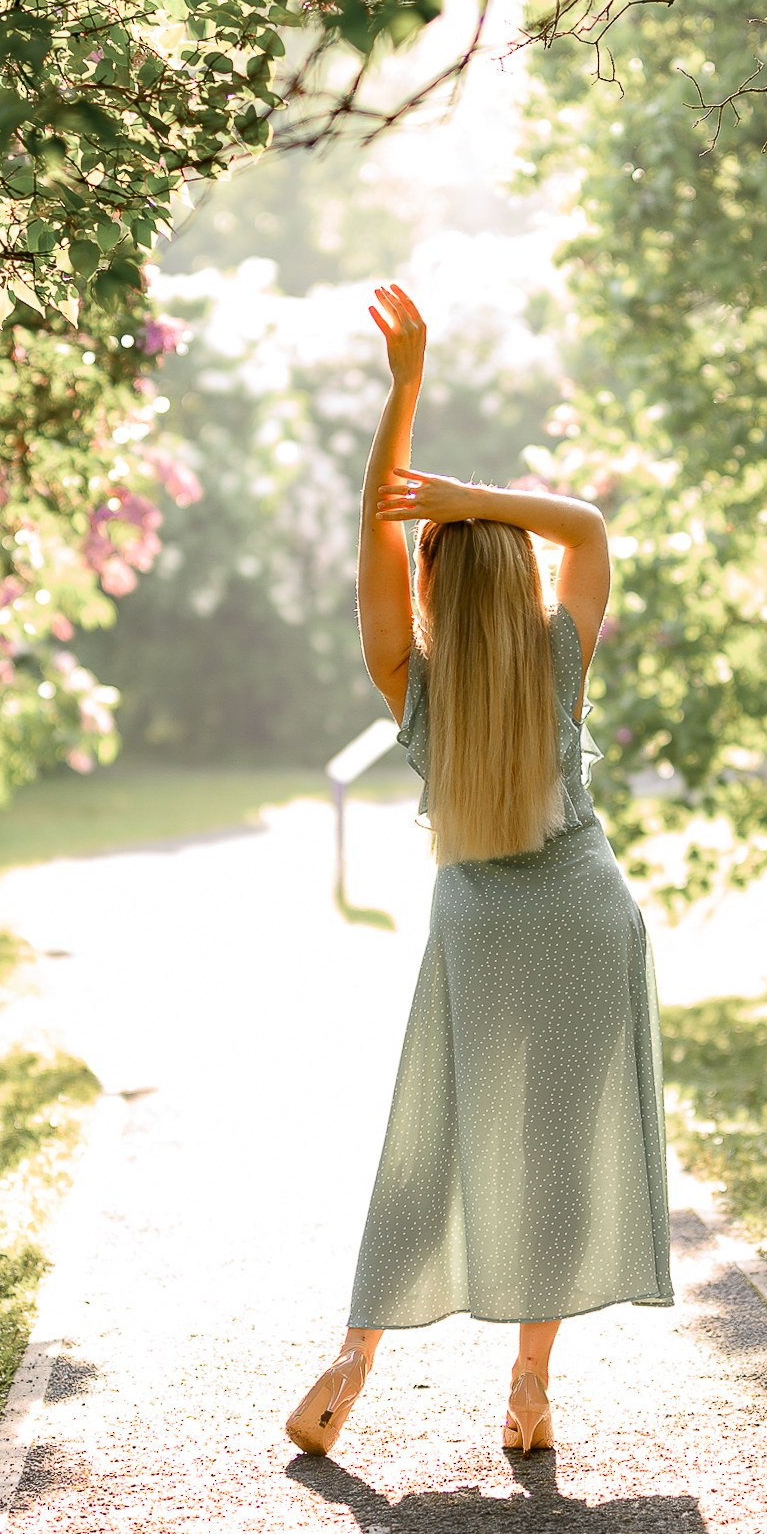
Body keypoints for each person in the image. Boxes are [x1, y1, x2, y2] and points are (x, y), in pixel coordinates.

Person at [285, 281, 672, 1461]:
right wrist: (472, 498)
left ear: (437, 589)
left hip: (478, 923)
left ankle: (357, 1349)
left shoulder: (414, 685)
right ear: (517, 585)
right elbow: (589, 529)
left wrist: (405, 395)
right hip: (585, 913)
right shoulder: (559, 656)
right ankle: (529, 1390)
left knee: (432, 1133)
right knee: (553, 1145)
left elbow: (372, 533)